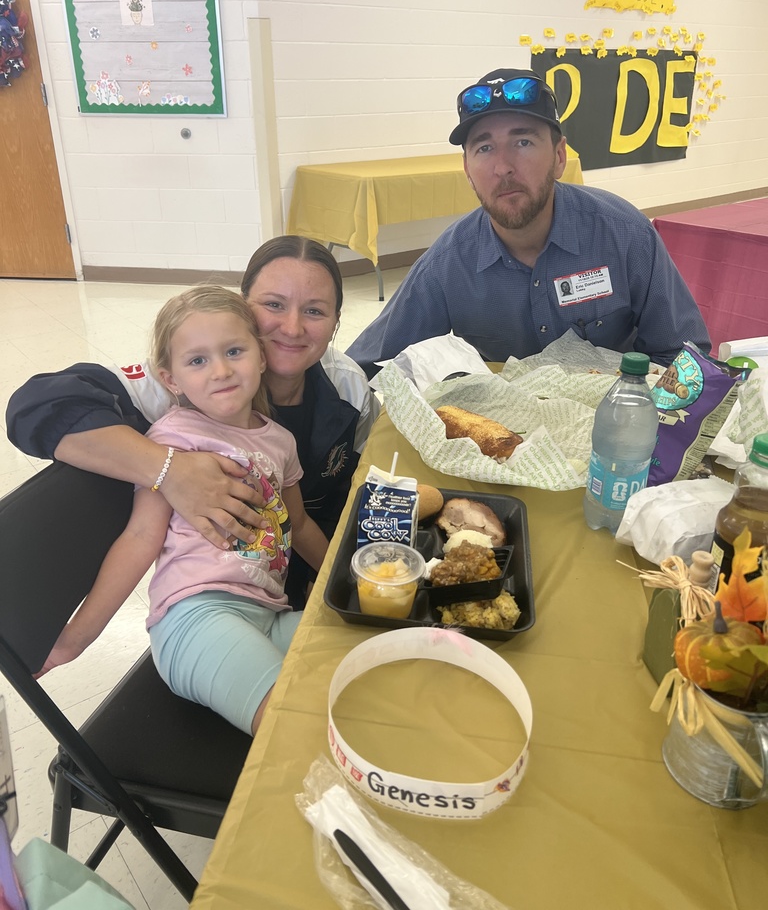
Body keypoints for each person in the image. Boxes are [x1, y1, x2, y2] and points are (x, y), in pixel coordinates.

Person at [6, 237, 379, 609]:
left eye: (315, 311)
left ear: (336, 323)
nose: (293, 328)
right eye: (273, 305)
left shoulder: (347, 386)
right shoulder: (179, 385)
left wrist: (336, 579)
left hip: (303, 578)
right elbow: (36, 406)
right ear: (243, 307)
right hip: (214, 596)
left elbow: (353, 492)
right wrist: (170, 469)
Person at [37, 286, 328, 735]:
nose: (221, 370)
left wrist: (343, 578)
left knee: (361, 664)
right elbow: (139, 540)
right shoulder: (172, 438)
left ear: (262, 355)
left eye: (234, 350)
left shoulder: (280, 441)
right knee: (295, 726)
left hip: (270, 615)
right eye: (197, 360)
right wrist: (74, 640)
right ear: (170, 379)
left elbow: (300, 523)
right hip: (197, 619)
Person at [346, 68, 710, 377]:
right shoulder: (448, 263)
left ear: (559, 156)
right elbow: (368, 365)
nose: (502, 166)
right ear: (467, 171)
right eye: (484, 148)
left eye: (522, 142)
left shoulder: (626, 236)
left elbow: (685, 357)